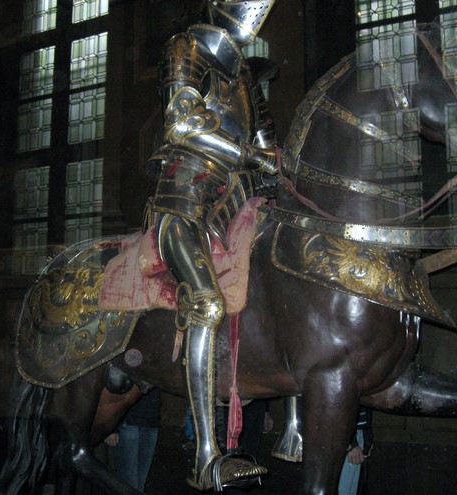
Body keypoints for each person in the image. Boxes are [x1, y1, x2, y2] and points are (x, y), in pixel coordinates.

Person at [146, 0, 279, 490]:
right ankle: (206, 456)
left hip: (238, 202)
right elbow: (181, 123)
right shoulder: (185, 49)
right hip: (185, 197)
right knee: (204, 304)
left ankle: (293, 423)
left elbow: (268, 147)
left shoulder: (245, 79)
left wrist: (282, 164)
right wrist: (248, 154)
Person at [104, 388, 162, 492]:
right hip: (127, 423)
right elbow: (111, 387)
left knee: (140, 483)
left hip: (151, 422)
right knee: (129, 482)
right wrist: (111, 428)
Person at [338, 407, 373, 495]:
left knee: (350, 490)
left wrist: (367, 437)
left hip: (356, 432)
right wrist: (351, 443)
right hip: (344, 434)